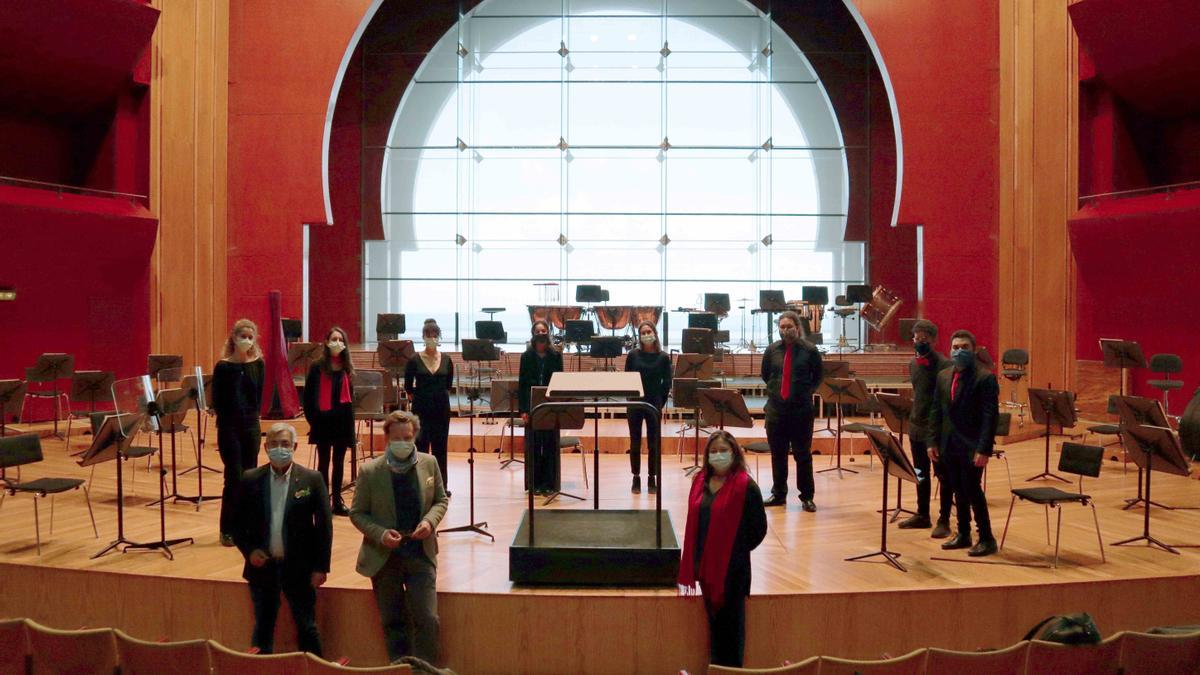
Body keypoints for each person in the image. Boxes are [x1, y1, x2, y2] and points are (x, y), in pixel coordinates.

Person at [350, 410, 449, 664]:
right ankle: (400, 669)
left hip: (420, 553)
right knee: (392, 621)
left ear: (415, 436)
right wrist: (381, 534)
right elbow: (357, 513)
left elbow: (441, 500)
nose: (403, 442)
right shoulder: (370, 471)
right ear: (387, 438)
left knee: (427, 619)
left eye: (407, 437)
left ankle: (425, 671)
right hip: (384, 558)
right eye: (397, 438)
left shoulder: (430, 463)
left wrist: (429, 521)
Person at [233, 423, 331, 656]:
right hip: (263, 569)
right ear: (265, 448)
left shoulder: (312, 479)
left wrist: (320, 567)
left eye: (285, 444)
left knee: (307, 628)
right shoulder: (250, 478)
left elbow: (324, 528)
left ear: (295, 446)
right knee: (262, 629)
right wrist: (249, 551)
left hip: (300, 569)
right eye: (274, 444)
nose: (280, 449)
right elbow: (236, 524)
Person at [678, 430, 768, 668]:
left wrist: (734, 549)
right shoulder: (700, 481)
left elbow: (758, 530)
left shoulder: (746, 486)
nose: (718, 455)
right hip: (706, 571)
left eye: (723, 450)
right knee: (715, 634)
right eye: (714, 451)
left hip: (733, 573)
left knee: (732, 635)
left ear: (734, 453)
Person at [927, 329, 1000, 557]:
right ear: (950, 350)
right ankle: (964, 533)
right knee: (957, 489)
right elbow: (936, 411)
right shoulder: (944, 376)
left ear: (973, 350)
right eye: (956, 347)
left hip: (972, 446)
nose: (959, 351)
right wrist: (932, 441)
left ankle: (986, 537)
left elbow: (991, 417)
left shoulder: (984, 377)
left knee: (972, 491)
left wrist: (984, 449)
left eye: (964, 347)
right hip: (948, 444)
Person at [760, 310, 823, 511]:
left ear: (797, 327)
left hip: (801, 412)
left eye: (789, 326)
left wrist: (803, 392)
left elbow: (818, 377)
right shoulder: (771, 351)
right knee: (777, 454)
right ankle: (779, 494)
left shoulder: (810, 350)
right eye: (782, 327)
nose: (785, 330)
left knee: (802, 454)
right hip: (776, 411)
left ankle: (807, 497)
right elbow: (765, 375)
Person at [897, 319, 954, 537]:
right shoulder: (913, 364)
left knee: (943, 475)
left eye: (924, 338)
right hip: (917, 427)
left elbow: (944, 403)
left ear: (933, 340)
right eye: (916, 338)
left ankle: (944, 519)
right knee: (920, 472)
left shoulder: (945, 365)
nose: (919, 342)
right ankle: (922, 514)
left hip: (936, 430)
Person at [213, 318, 265, 546]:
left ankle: (248, 525)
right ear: (233, 338)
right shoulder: (223, 366)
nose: (246, 340)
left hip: (251, 425)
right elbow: (218, 401)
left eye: (250, 337)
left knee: (251, 475)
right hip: (229, 427)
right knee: (234, 476)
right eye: (242, 336)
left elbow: (258, 396)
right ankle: (227, 528)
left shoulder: (258, 364)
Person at [303, 326, 355, 516]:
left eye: (341, 340)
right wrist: (313, 421)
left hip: (342, 422)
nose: (337, 343)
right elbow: (308, 398)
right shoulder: (317, 366)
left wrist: (350, 426)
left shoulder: (346, 366)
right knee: (323, 463)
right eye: (334, 339)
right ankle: (323, 500)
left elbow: (351, 400)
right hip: (322, 422)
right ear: (326, 342)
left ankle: (337, 502)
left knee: (339, 462)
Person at [404, 319, 453, 489]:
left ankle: (441, 487)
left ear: (439, 337)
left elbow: (448, 385)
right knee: (422, 447)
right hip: (421, 410)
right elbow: (408, 388)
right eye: (428, 335)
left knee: (441, 448)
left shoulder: (447, 360)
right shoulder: (414, 360)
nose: (431, 338)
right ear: (423, 337)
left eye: (434, 335)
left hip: (441, 409)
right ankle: (422, 486)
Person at [624, 320, 671, 494]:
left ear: (655, 333)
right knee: (635, 443)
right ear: (639, 336)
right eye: (642, 333)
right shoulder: (633, 355)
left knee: (654, 444)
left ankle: (652, 478)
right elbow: (627, 379)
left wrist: (660, 402)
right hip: (635, 403)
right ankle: (636, 478)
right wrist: (631, 399)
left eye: (648, 331)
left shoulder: (663, 357)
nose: (646, 335)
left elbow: (667, 383)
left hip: (654, 403)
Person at [518, 321, 564, 494]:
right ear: (533, 334)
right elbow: (522, 385)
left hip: (551, 406)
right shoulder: (526, 356)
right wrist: (523, 410)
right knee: (534, 446)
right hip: (532, 405)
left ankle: (550, 484)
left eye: (544, 330)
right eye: (538, 331)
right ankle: (534, 484)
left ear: (548, 333)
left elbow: (560, 382)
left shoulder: (556, 356)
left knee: (550, 445)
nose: (541, 333)